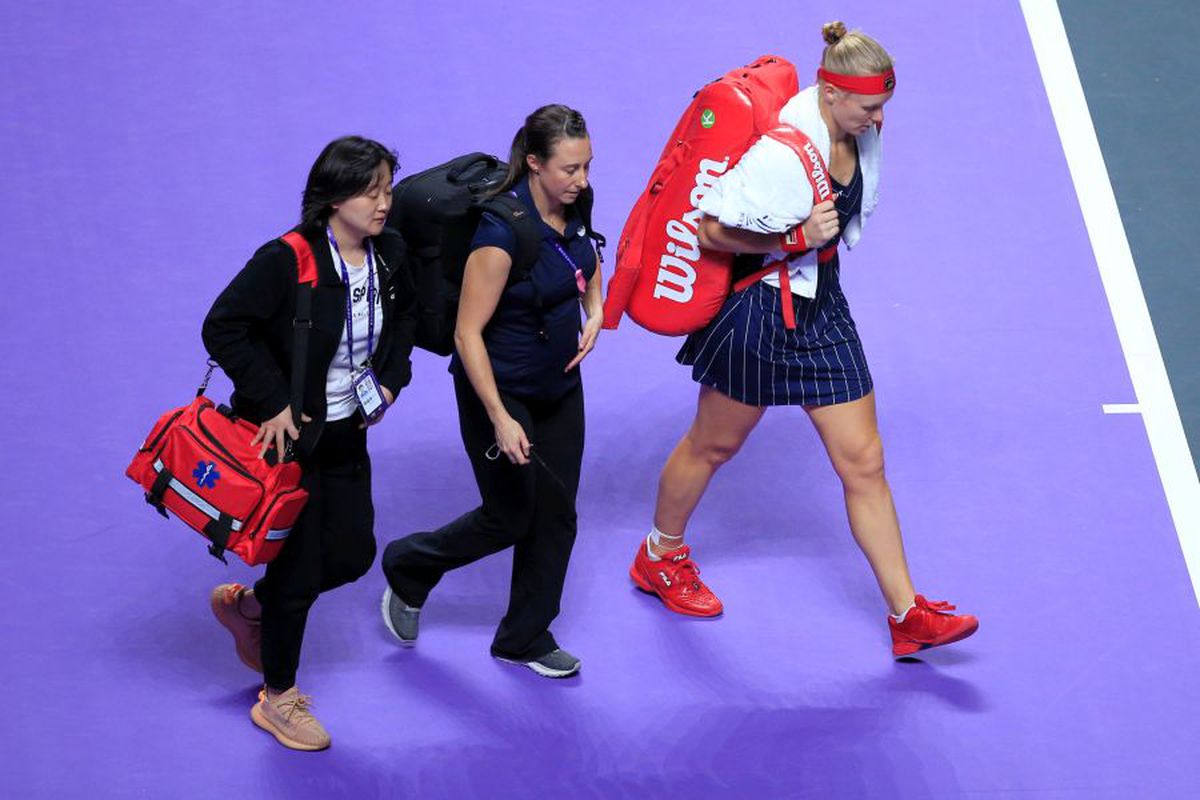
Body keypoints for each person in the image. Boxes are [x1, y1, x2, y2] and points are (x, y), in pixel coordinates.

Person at [629, 23, 979, 658]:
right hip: (760, 313)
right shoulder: (781, 154)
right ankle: (659, 555)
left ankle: (906, 615)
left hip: (821, 305)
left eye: (883, 106)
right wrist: (792, 238)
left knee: (864, 462)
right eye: (868, 107)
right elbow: (710, 230)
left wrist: (812, 245)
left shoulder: (856, 130)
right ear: (831, 93)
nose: (878, 120)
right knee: (713, 445)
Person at [202, 136, 416, 749]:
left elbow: (405, 320)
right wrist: (272, 400)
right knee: (298, 572)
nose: (384, 203)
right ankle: (278, 698)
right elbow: (223, 326)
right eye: (370, 191)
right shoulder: (287, 259)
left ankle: (252, 609)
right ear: (333, 197)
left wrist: (391, 382)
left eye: (387, 189)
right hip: (291, 442)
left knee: (352, 554)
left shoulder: (389, 253)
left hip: (348, 430)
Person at [380, 104, 603, 678]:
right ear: (534, 163)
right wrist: (501, 418)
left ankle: (523, 638)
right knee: (510, 515)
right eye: (570, 169)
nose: (582, 180)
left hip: (559, 385)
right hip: (499, 391)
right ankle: (409, 564)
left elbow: (585, 255)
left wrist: (596, 310)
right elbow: (467, 334)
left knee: (557, 515)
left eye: (586, 166)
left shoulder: (575, 202)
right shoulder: (500, 234)